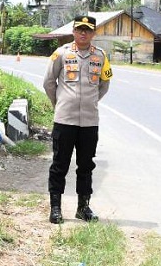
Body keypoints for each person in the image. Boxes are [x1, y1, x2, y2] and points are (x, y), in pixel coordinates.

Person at [43, 15, 112, 224]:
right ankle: (55, 208)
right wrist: (62, 103)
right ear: (73, 31)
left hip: (89, 122)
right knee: (59, 164)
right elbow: (48, 83)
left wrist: (90, 102)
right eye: (79, 29)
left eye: (87, 30)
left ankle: (83, 207)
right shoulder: (61, 54)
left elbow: (104, 85)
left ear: (93, 33)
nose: (83, 33)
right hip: (65, 120)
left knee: (86, 165)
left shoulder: (101, 56)